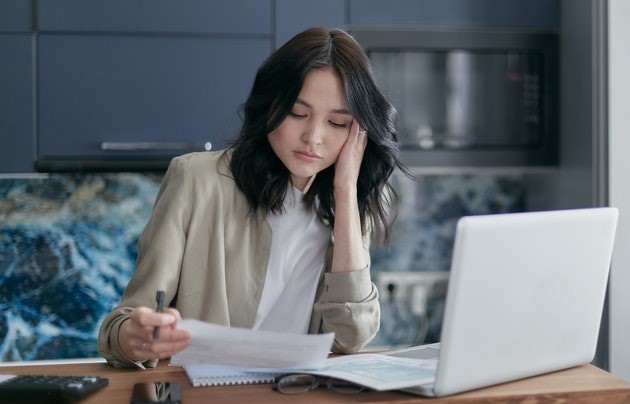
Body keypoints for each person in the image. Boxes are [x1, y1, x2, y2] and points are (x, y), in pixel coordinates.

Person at [98, 27, 408, 368]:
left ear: (358, 133)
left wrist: (346, 189)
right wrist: (136, 337)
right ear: (269, 105)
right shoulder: (197, 180)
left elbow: (350, 337)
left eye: (337, 122)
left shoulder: (345, 206)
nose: (313, 137)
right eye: (297, 113)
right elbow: (121, 325)